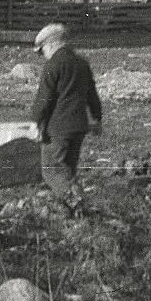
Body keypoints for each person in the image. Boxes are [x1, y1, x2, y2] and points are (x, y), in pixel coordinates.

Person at [29, 23, 103, 198]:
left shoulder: (53, 65)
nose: (42, 55)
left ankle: (76, 201)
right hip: (79, 126)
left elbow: (44, 98)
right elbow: (92, 94)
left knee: (51, 169)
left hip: (58, 128)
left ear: (52, 44)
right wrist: (97, 118)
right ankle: (72, 213)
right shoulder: (82, 63)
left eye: (42, 50)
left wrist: (35, 122)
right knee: (68, 169)